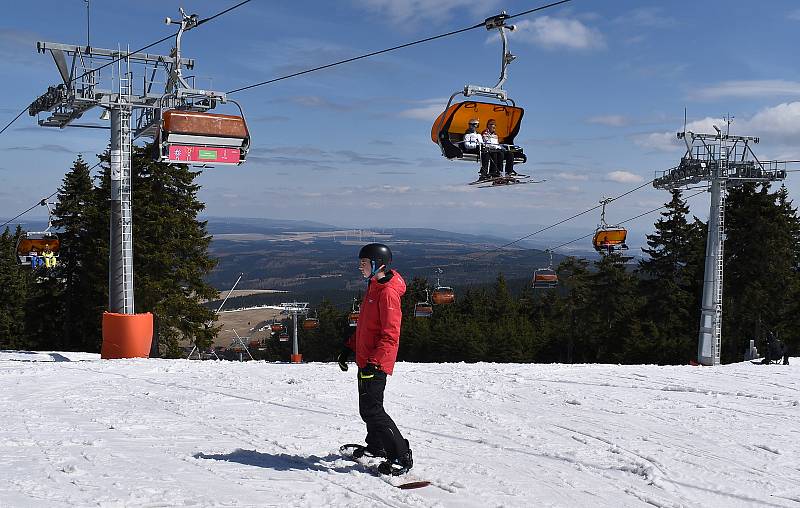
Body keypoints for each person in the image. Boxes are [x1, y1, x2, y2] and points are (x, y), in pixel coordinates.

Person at [337, 243, 413, 476]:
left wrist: (374, 362)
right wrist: (349, 348)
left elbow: (391, 334)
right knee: (367, 409)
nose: (359, 267)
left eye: (363, 263)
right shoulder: (374, 286)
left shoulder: (388, 293)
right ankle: (377, 446)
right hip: (366, 358)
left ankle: (400, 456)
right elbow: (366, 327)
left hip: (376, 362)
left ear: (377, 264)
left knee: (373, 410)